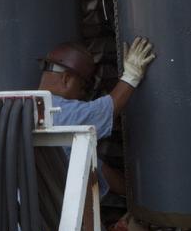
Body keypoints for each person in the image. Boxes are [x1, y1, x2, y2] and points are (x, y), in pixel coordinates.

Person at [38, 37, 156, 197]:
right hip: (49, 216)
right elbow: (107, 109)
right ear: (66, 79)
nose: (81, 95)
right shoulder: (60, 111)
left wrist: (136, 198)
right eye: (82, 87)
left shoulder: (24, 106)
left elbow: (97, 168)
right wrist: (132, 75)